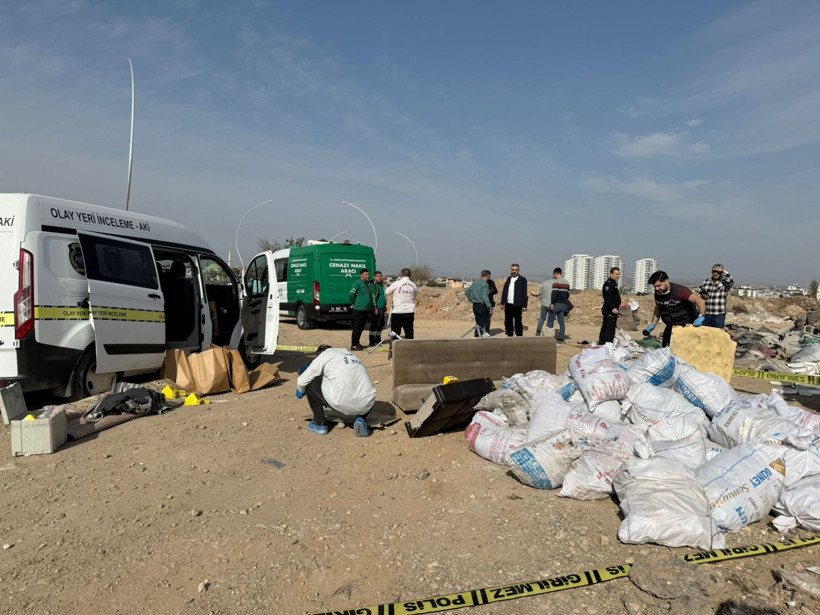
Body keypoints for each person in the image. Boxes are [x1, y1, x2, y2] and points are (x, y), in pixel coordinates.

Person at [296, 345, 376, 437]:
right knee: (365, 392)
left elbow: (302, 380)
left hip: (340, 401)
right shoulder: (350, 355)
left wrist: (301, 391)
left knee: (311, 381)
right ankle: (361, 419)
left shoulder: (324, 355)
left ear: (318, 354)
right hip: (366, 404)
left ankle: (319, 424)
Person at [644, 271, 707, 347]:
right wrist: (653, 324)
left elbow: (700, 301)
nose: (657, 289)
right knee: (666, 347)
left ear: (666, 281)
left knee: (684, 349)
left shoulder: (681, 291)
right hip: (671, 325)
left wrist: (701, 316)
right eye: (655, 287)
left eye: (659, 285)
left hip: (686, 325)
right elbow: (658, 308)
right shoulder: (658, 294)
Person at [698, 264, 734, 329]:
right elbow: (700, 292)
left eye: (718, 272)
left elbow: (730, 280)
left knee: (718, 334)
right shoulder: (706, 282)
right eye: (714, 271)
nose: (716, 273)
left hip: (718, 314)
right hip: (706, 314)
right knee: (705, 333)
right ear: (711, 271)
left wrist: (723, 271)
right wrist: (703, 295)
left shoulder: (724, 283)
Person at [385, 268, 418, 339]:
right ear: (410, 275)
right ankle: (410, 346)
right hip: (409, 311)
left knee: (395, 332)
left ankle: (395, 347)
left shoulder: (397, 283)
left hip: (397, 311)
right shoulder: (413, 285)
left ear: (401, 274)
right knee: (409, 331)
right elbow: (414, 296)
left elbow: (387, 292)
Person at [349, 269, 375, 350]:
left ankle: (357, 343)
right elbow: (351, 295)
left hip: (366, 309)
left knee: (361, 327)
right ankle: (353, 345)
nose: (368, 276)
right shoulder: (357, 283)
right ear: (361, 275)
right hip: (359, 309)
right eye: (366, 274)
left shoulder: (366, 284)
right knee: (357, 327)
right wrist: (354, 303)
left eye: (368, 274)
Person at [500, 263, 528, 336]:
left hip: (518, 305)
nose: (514, 271)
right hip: (508, 304)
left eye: (516, 270)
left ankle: (519, 337)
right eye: (513, 270)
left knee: (518, 322)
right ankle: (510, 337)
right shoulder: (509, 279)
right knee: (508, 322)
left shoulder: (522, 280)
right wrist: (502, 303)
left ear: (518, 270)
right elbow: (505, 291)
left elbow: (524, 293)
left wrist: (524, 305)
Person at [598, 267, 621, 345]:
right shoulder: (609, 283)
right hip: (609, 309)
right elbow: (607, 297)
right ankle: (607, 345)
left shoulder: (613, 283)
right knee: (609, 328)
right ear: (611, 274)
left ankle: (603, 343)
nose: (618, 276)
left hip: (612, 308)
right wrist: (612, 308)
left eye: (619, 274)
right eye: (616, 274)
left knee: (607, 327)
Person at [465, 270, 493, 336]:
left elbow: (467, 292)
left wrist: (471, 299)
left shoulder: (475, 283)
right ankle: (478, 339)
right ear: (488, 276)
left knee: (478, 323)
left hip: (475, 306)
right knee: (481, 325)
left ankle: (477, 337)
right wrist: (490, 307)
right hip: (482, 306)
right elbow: (485, 296)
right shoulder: (485, 284)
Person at [548, 269, 571, 342]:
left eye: (553, 275)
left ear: (555, 274)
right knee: (561, 322)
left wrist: (552, 303)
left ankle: (549, 337)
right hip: (563, 305)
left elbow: (554, 294)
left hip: (556, 304)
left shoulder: (556, 282)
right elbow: (567, 295)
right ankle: (561, 338)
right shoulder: (567, 283)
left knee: (550, 320)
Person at [532, 270, 556, 337]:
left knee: (542, 318)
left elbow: (540, 293)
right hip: (552, 304)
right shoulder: (556, 284)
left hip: (544, 303)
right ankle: (548, 333)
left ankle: (538, 332)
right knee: (550, 319)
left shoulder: (544, 283)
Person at [368, 271, 387, 347]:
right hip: (377, 307)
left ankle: (378, 339)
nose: (380, 277)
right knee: (375, 324)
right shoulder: (373, 285)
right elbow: (372, 297)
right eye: (378, 276)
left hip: (382, 307)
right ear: (374, 277)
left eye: (380, 276)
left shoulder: (381, 285)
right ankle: (372, 341)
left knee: (381, 323)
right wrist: (374, 307)